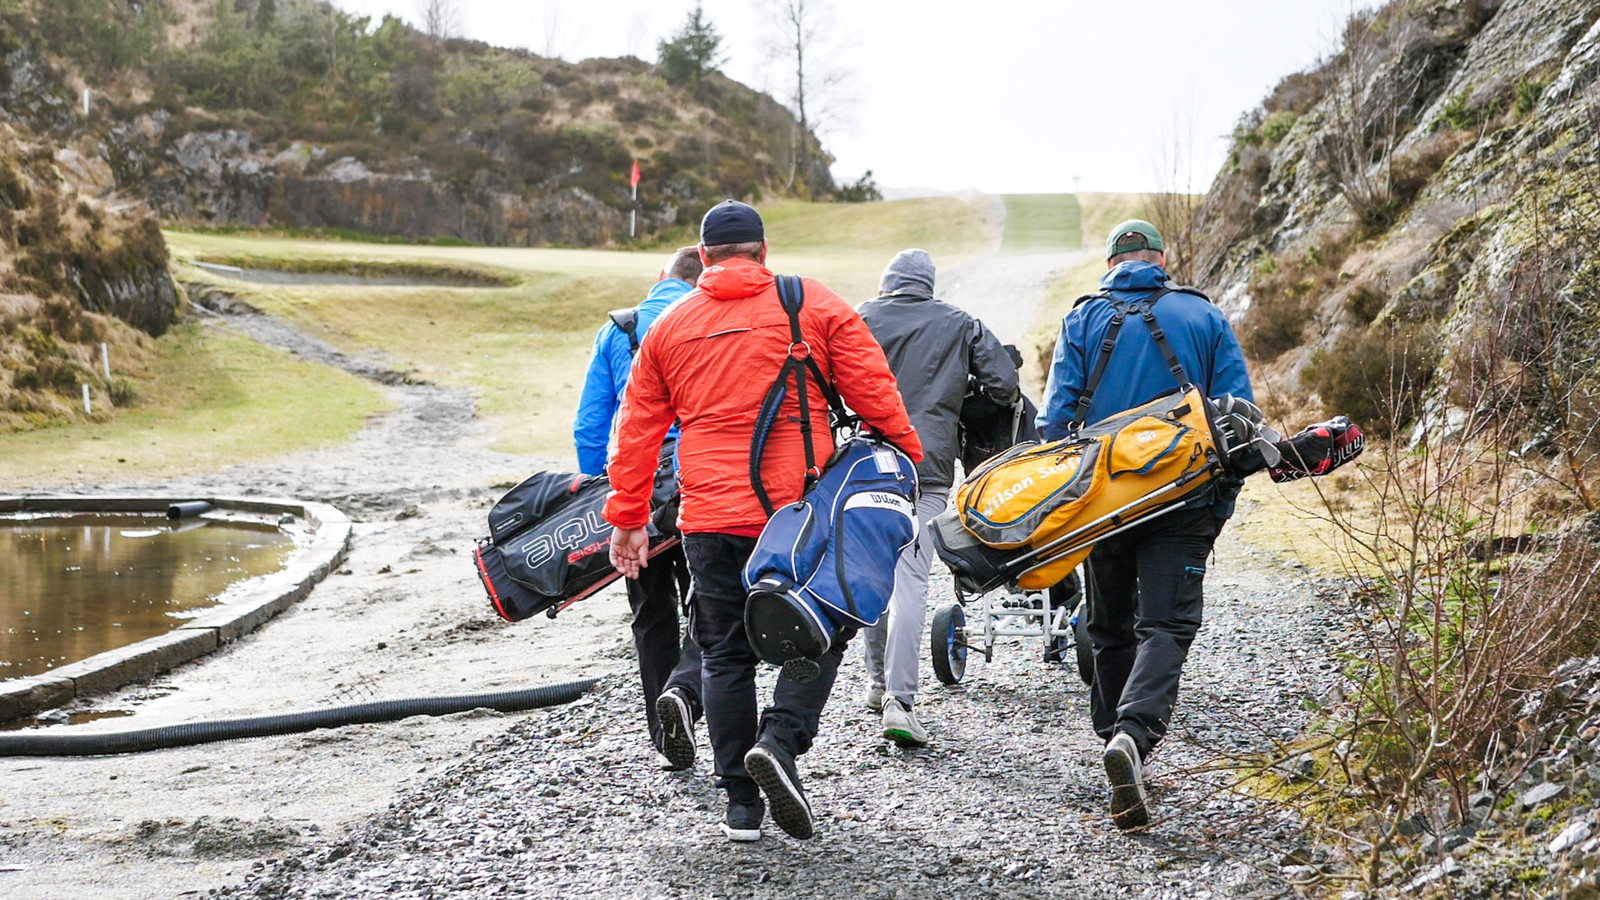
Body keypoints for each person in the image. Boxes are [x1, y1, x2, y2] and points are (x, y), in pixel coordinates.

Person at [604, 200, 923, 843]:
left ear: (704, 257)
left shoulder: (669, 326)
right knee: (827, 626)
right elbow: (873, 389)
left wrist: (628, 519)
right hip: (793, 514)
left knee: (723, 651)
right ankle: (779, 741)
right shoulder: (810, 303)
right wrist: (905, 456)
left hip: (707, 518)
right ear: (763, 250)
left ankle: (740, 807)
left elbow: (635, 431)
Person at [1037, 219, 1254, 831]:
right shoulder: (1202, 317)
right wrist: (1223, 494)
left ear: (1110, 266)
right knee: (1166, 623)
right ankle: (1132, 738)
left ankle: (1112, 733)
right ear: (1160, 259)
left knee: (1108, 625)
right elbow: (1240, 413)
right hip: (1183, 498)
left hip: (1102, 498)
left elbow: (1056, 422)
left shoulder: (1081, 320)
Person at [857, 249, 1018, 746]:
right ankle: (899, 702)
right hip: (926, 470)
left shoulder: (860, 317)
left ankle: (876, 680)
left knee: (871, 570)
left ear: (888, 283)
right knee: (910, 578)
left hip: (865, 466)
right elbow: (1006, 386)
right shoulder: (960, 323)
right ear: (928, 285)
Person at [573, 246, 705, 771]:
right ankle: (691, 699)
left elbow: (591, 419)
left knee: (651, 612)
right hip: (696, 485)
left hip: (636, 490)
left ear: (660, 277)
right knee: (711, 600)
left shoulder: (619, 329)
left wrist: (598, 487)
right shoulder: (706, 322)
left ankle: (665, 731)